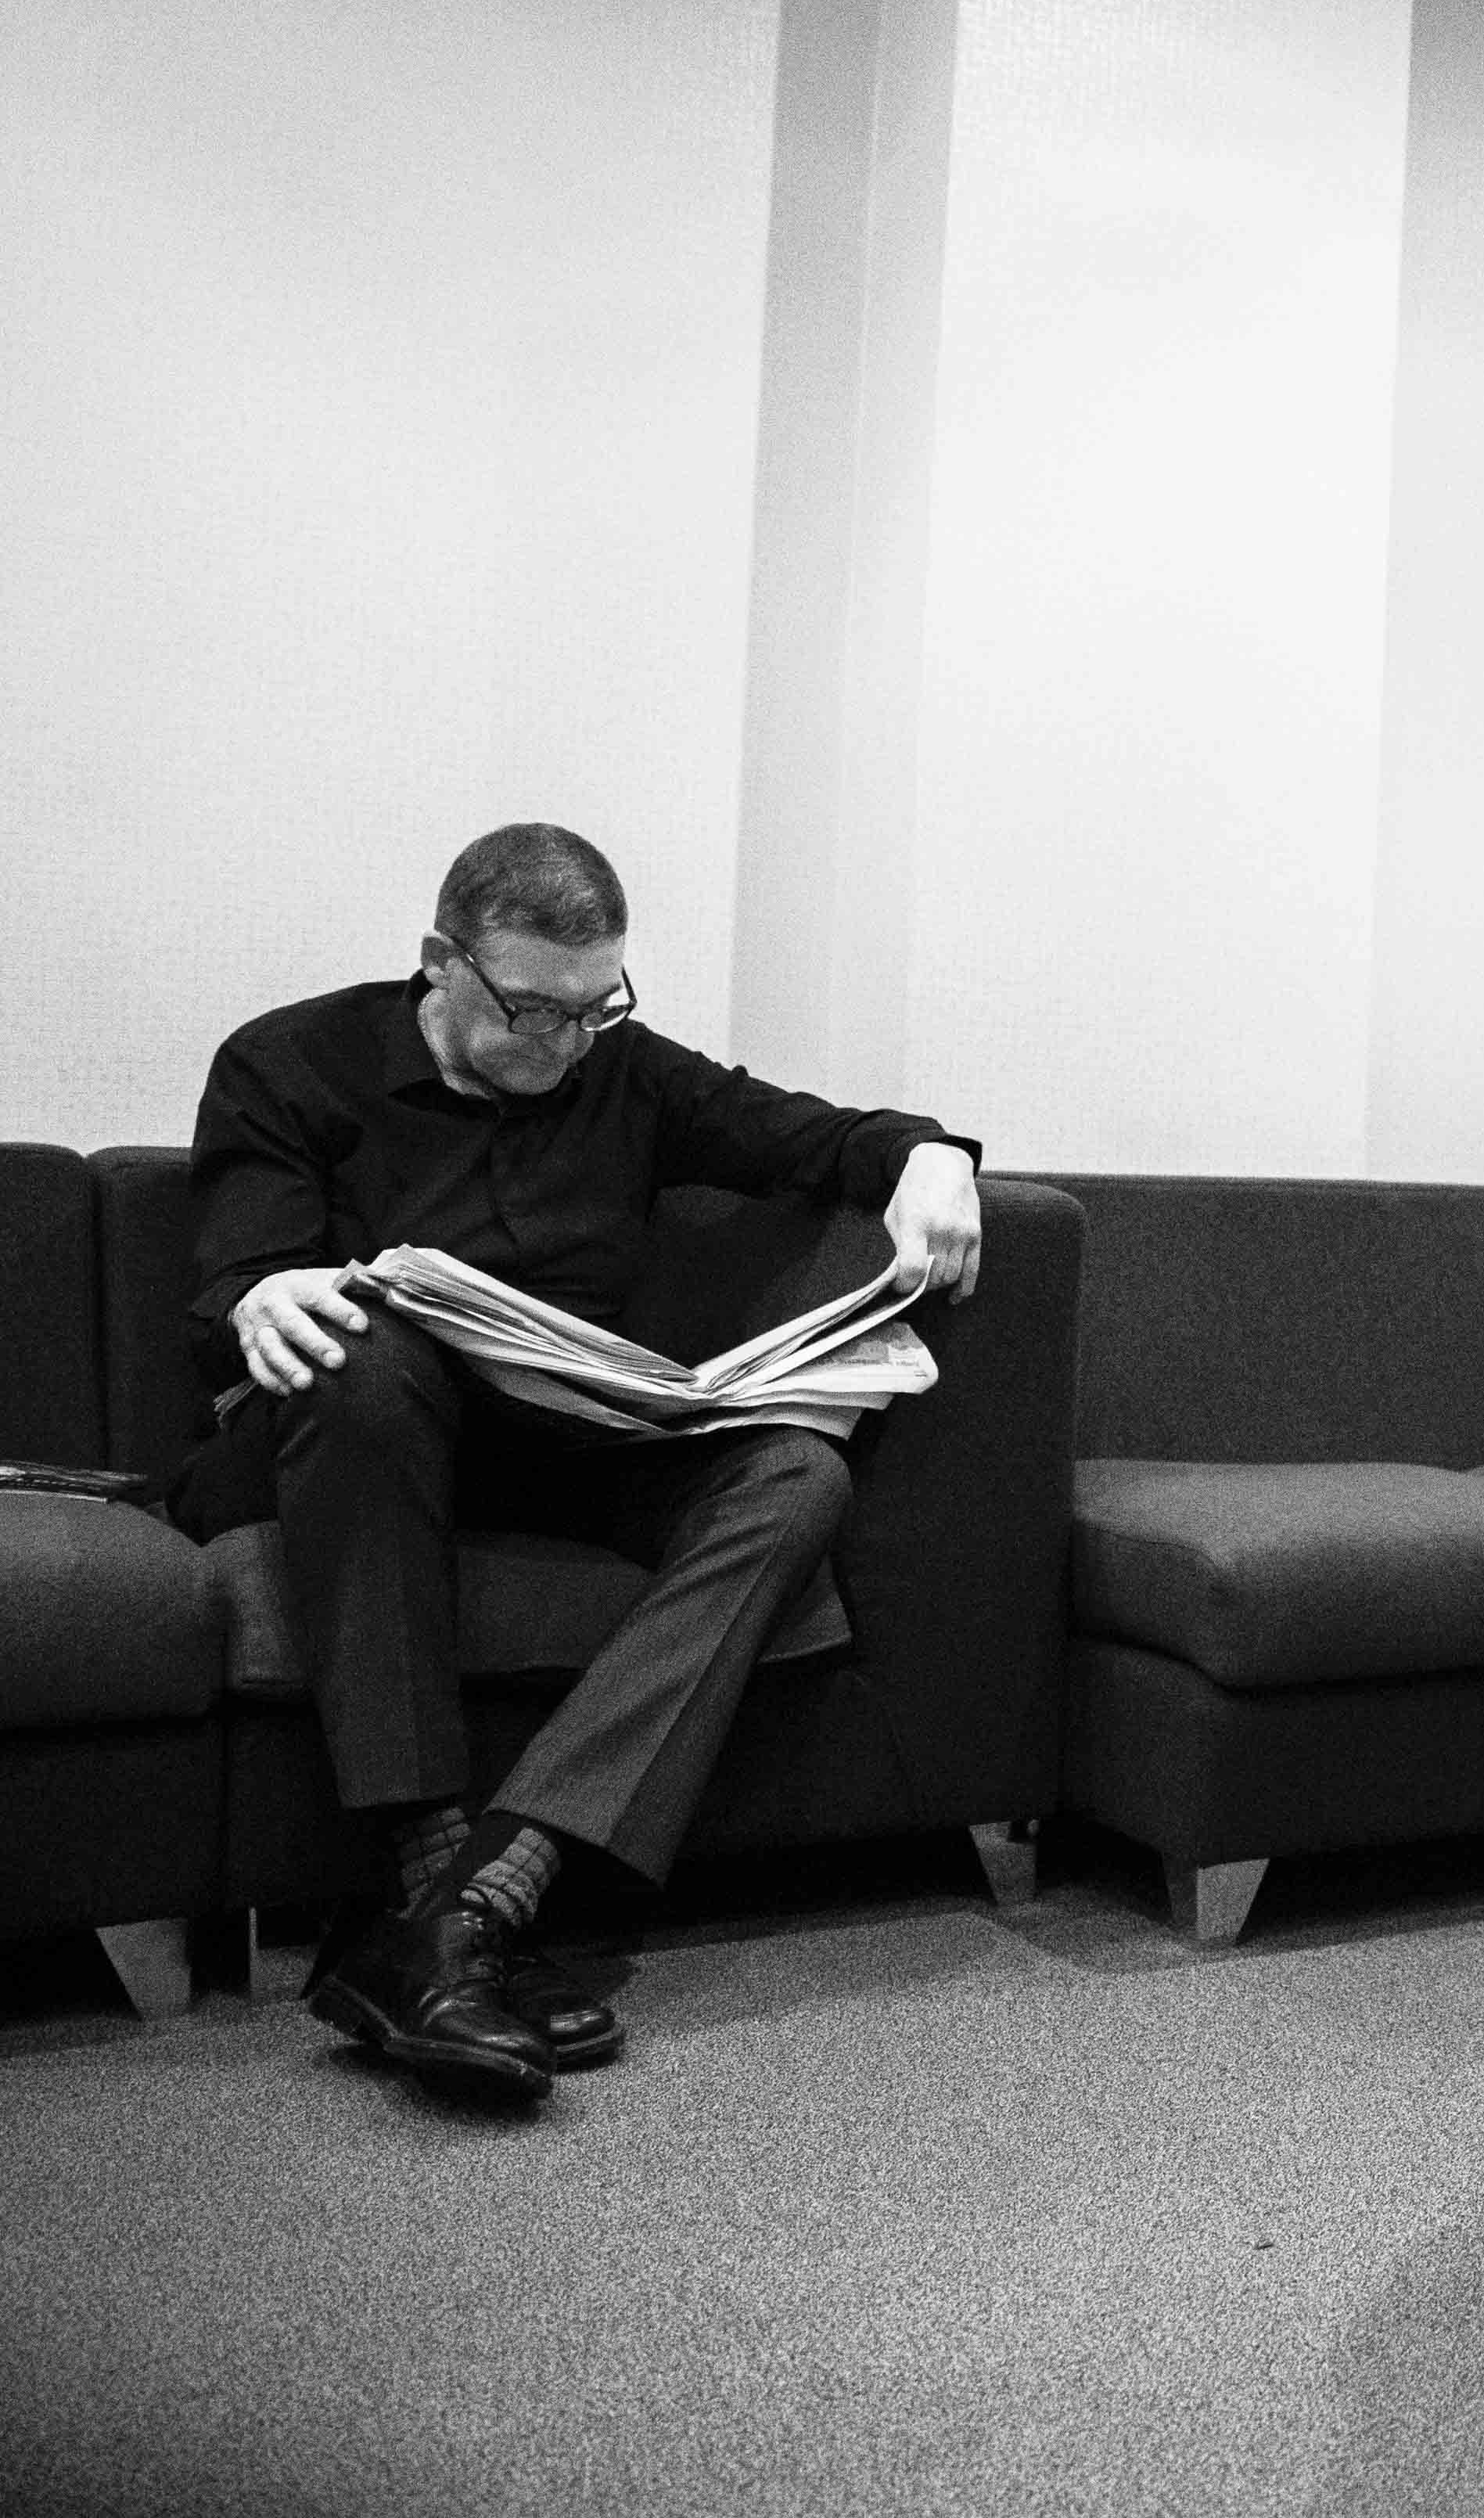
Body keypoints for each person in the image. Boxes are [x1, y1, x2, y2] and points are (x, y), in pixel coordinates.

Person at [173, 823, 983, 2104]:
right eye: (532, 1010)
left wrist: (930, 1154)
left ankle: (475, 1907)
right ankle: (438, 1883)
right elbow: (243, 1273)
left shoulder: (625, 1073)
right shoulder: (291, 1061)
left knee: (796, 1478)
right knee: (361, 1348)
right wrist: (266, 1293)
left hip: (561, 1444)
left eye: (595, 1008)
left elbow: (814, 1136)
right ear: (442, 961)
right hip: (358, 1446)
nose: (564, 1042)